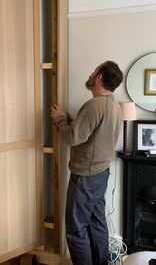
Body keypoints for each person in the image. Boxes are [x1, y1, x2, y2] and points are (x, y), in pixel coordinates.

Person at [51, 61, 123, 265]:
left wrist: (59, 120)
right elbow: (92, 133)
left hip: (86, 177)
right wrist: (73, 119)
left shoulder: (94, 105)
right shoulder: (113, 105)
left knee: (75, 230)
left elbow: (72, 138)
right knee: (97, 222)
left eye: (94, 71)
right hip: (100, 174)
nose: (91, 73)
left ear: (100, 77)